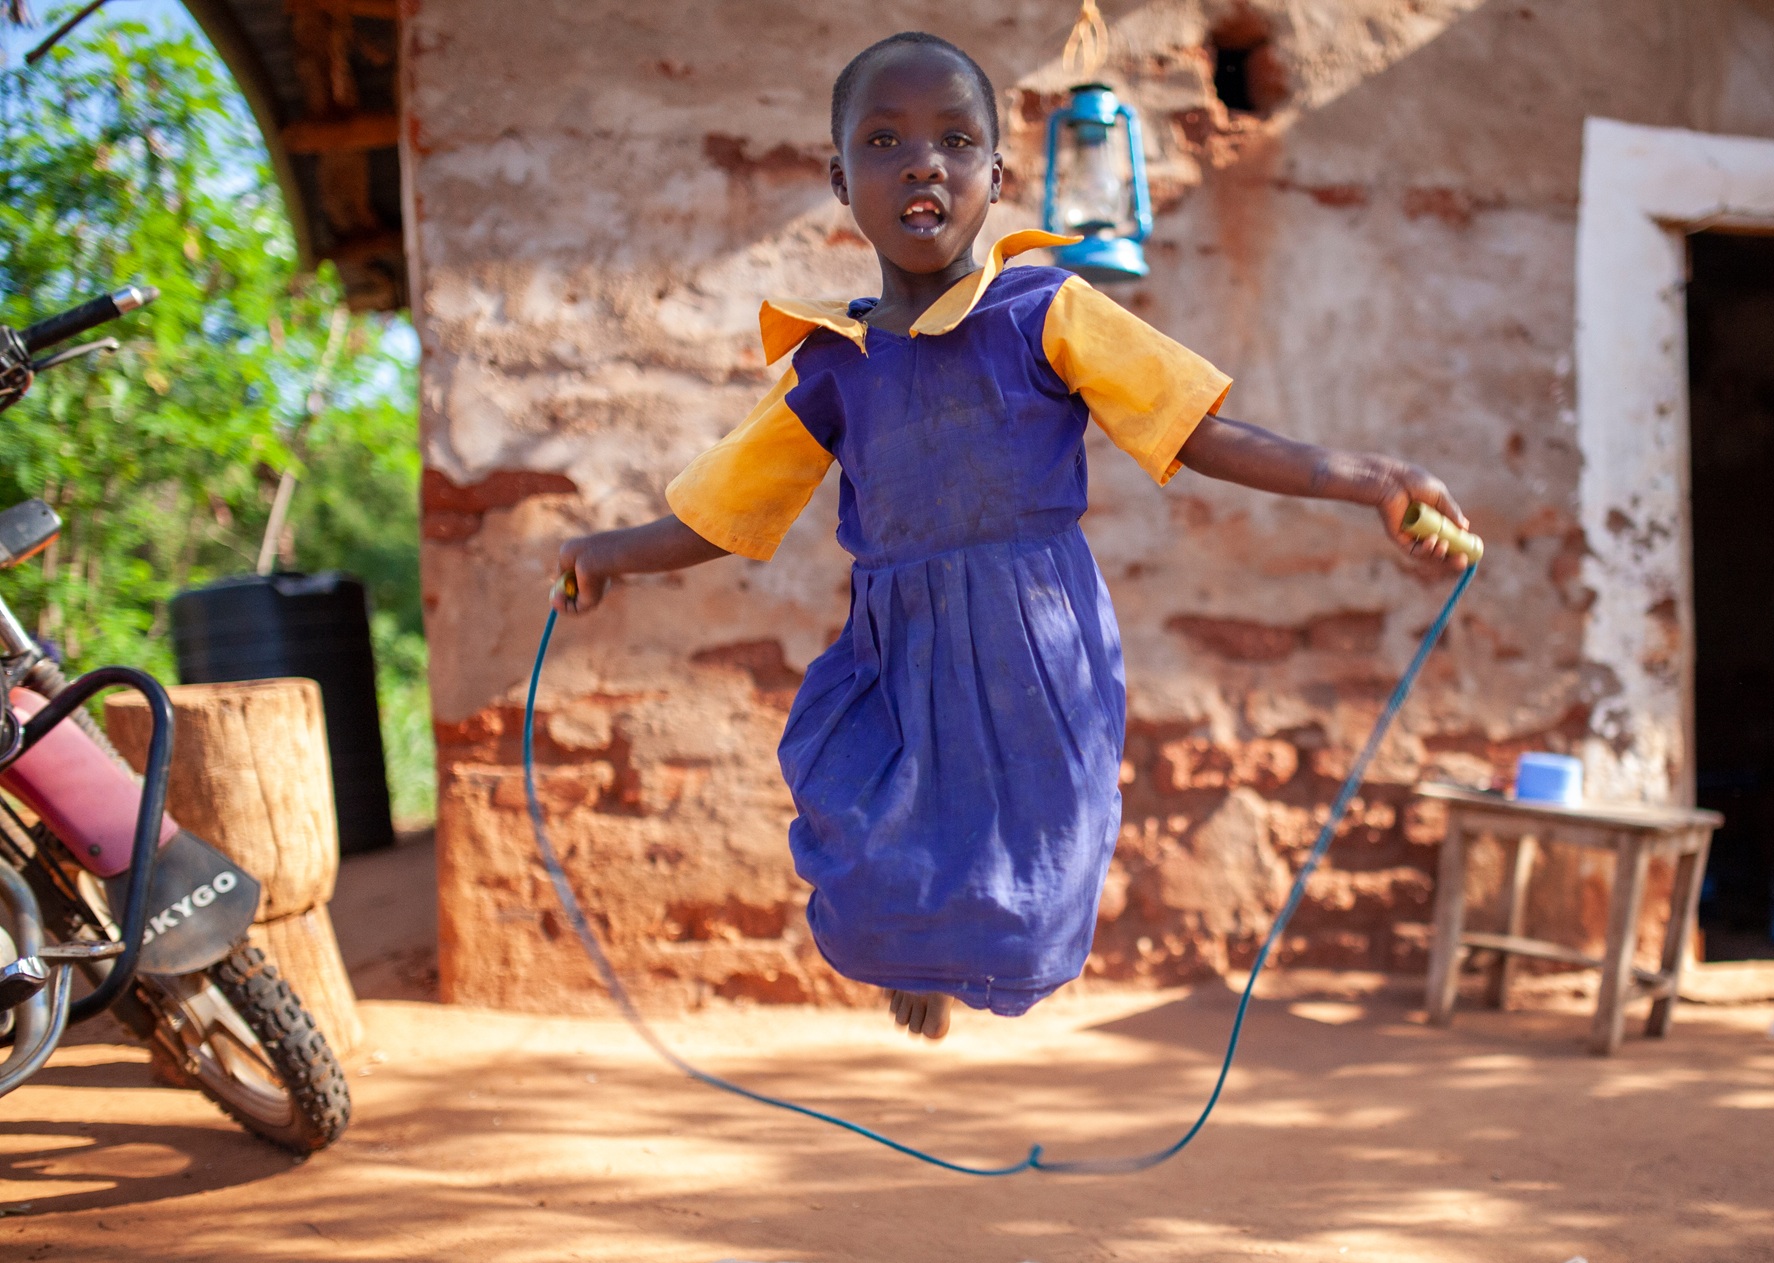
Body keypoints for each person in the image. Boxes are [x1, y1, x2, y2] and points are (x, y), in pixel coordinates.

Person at [555, 31, 1468, 1042]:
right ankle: (913, 958)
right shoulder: (835, 365)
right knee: (857, 811)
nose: (921, 162)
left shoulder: (1049, 311)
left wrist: (1373, 480)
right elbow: (722, 510)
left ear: (994, 176)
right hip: (898, 642)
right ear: (838, 180)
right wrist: (607, 555)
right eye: (884, 140)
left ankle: (954, 959)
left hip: (1036, 640)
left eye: (953, 139)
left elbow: (1197, 432)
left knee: (1035, 849)